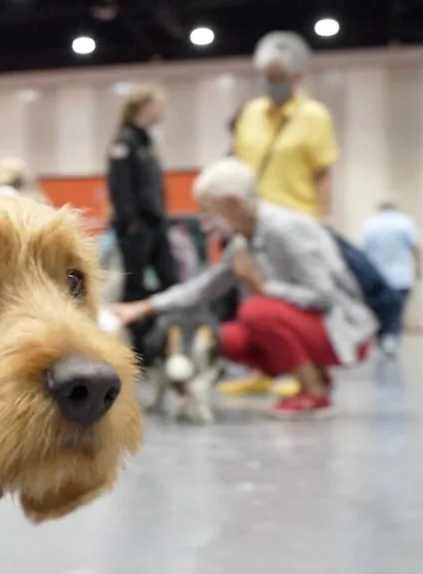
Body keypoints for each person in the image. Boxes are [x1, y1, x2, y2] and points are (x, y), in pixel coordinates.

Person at [111, 157, 376, 418]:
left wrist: (262, 286)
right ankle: (316, 377)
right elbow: (204, 288)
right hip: (307, 324)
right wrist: (143, 307)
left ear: (233, 203)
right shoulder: (242, 239)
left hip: (341, 330)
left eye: (209, 209)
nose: (205, 219)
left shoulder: (286, 228)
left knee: (256, 312)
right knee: (222, 338)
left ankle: (315, 392)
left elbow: (323, 296)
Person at [225, 31, 341, 396]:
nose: (271, 83)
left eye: (279, 77)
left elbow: (323, 172)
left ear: (298, 76)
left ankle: (309, 374)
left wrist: (321, 219)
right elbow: (241, 168)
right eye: (268, 76)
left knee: (294, 300)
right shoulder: (251, 115)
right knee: (251, 298)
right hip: (254, 223)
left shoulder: (314, 116)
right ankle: (263, 371)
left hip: (297, 223)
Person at [106, 85, 178, 357]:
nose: (161, 112)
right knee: (134, 286)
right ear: (143, 108)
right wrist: (130, 222)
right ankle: (137, 350)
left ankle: (166, 341)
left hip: (156, 224)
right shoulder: (124, 142)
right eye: (157, 106)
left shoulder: (148, 142)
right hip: (136, 228)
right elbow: (119, 187)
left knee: (170, 281)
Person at [360, 200, 421, 356]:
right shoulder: (404, 222)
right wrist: (419, 268)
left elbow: (363, 251)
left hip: (376, 276)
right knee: (398, 309)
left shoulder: (369, 224)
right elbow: (415, 246)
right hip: (400, 275)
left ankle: (382, 338)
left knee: (379, 309)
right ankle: (391, 338)